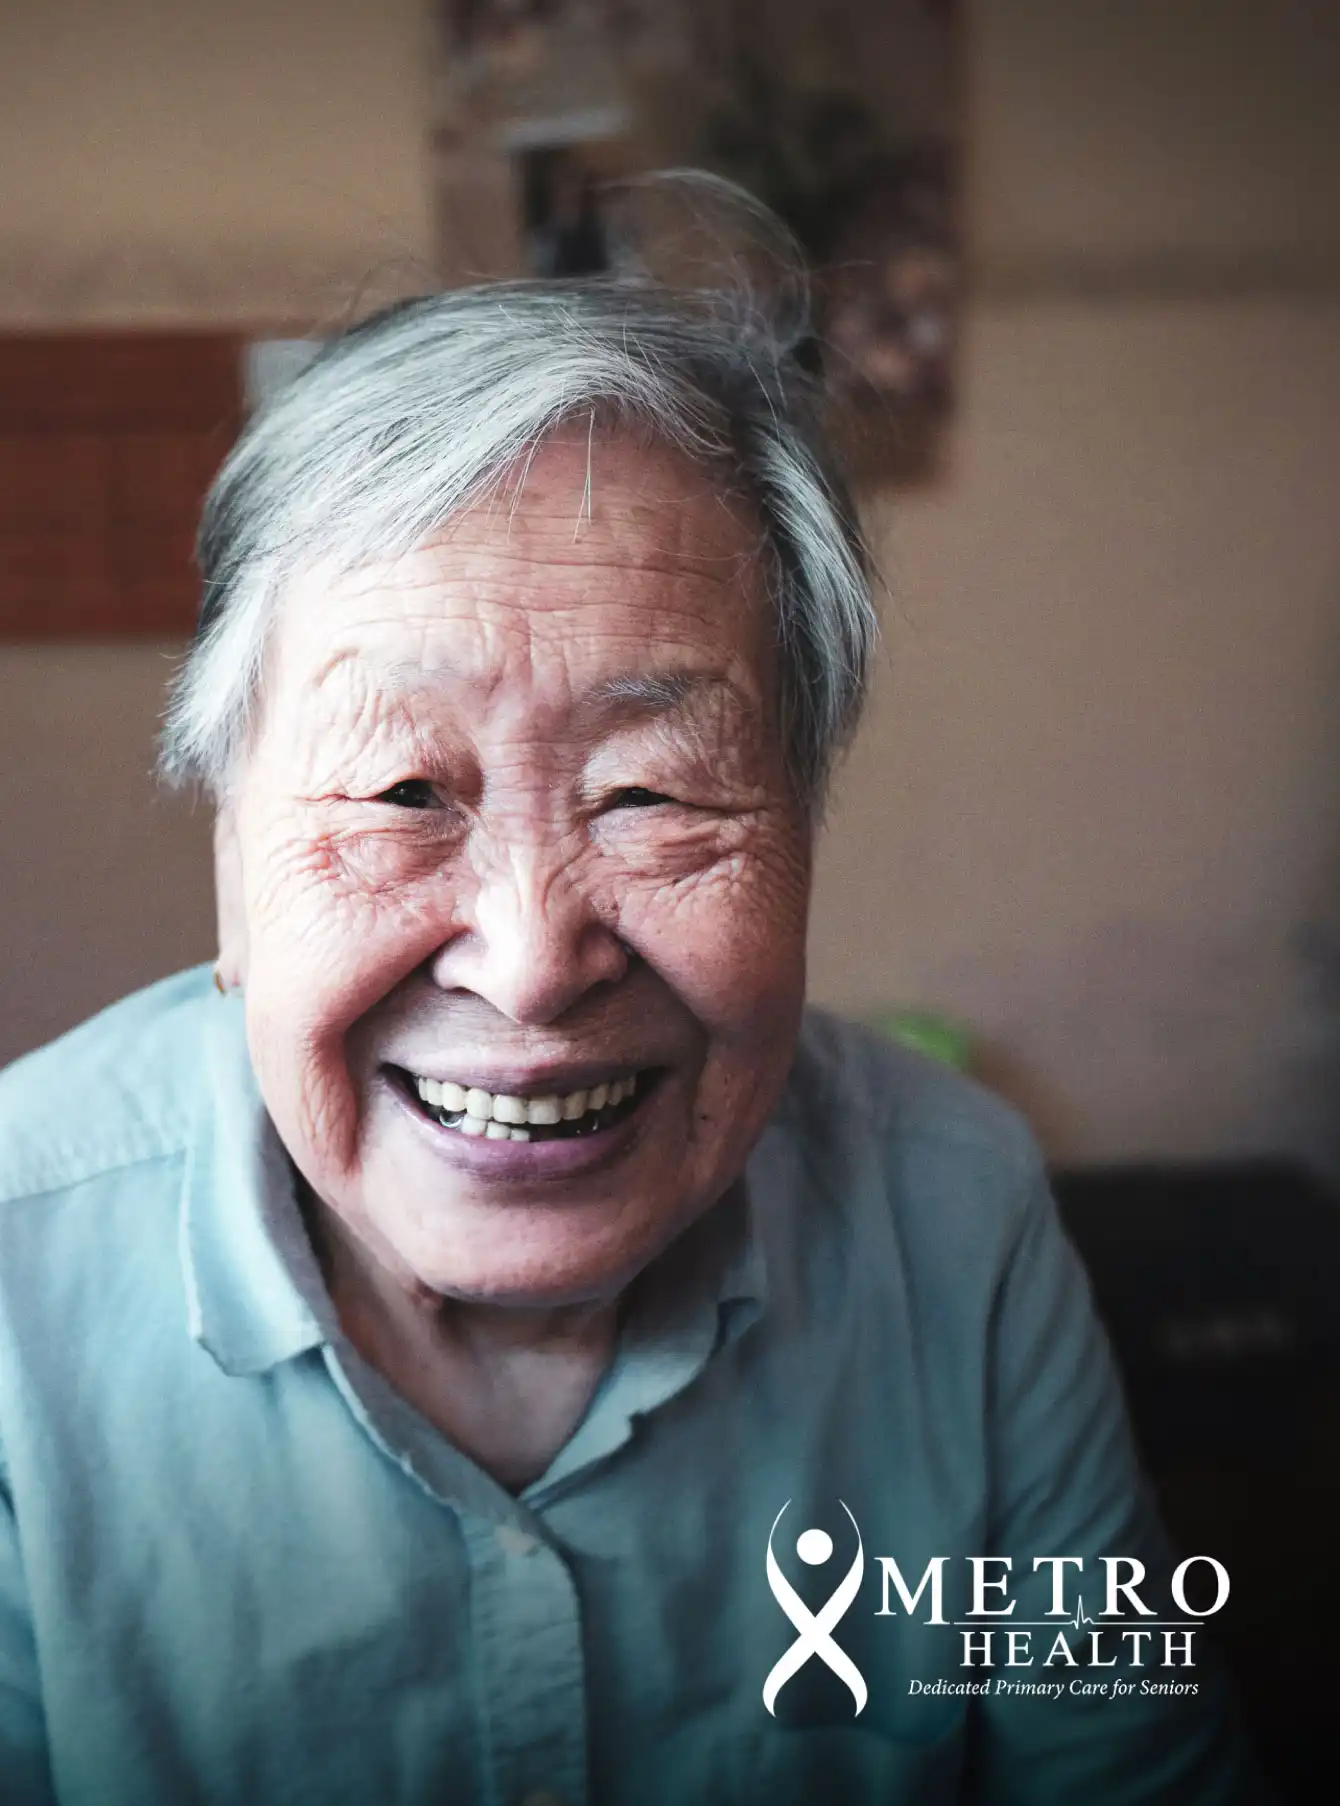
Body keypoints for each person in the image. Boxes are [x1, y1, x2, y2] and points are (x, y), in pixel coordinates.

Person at [0, 243, 1266, 1804]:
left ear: (804, 832)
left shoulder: (953, 1211)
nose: (532, 963)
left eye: (652, 794)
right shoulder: (15, 1281)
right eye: (402, 790)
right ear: (234, 877)